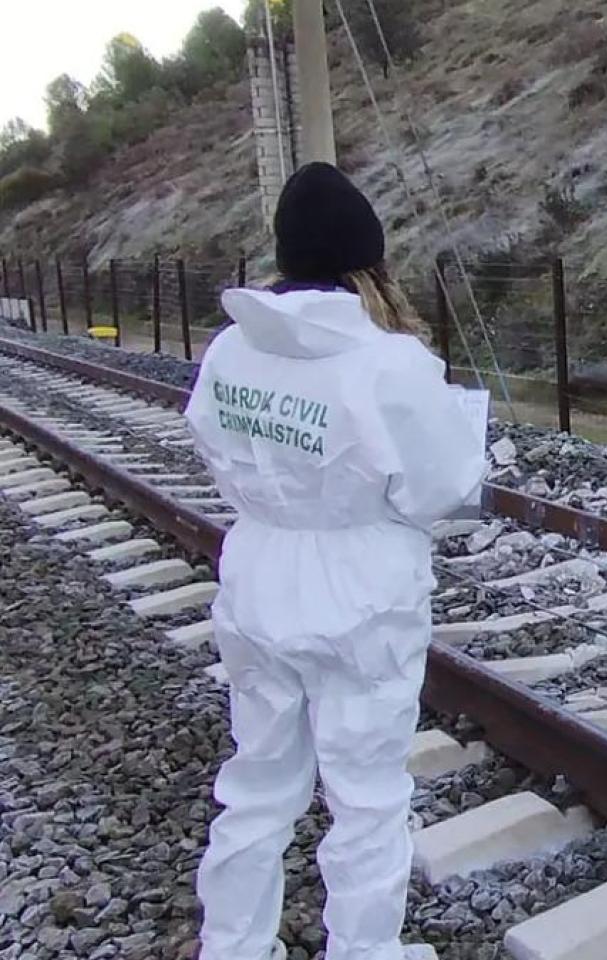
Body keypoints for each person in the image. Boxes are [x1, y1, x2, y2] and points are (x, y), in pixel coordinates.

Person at [185, 162, 484, 960]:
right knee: (366, 795)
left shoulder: (228, 352)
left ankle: (234, 945)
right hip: (361, 596)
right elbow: (446, 484)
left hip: (257, 578)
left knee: (256, 782)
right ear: (367, 261)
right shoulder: (390, 364)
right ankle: (363, 950)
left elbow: (209, 442)